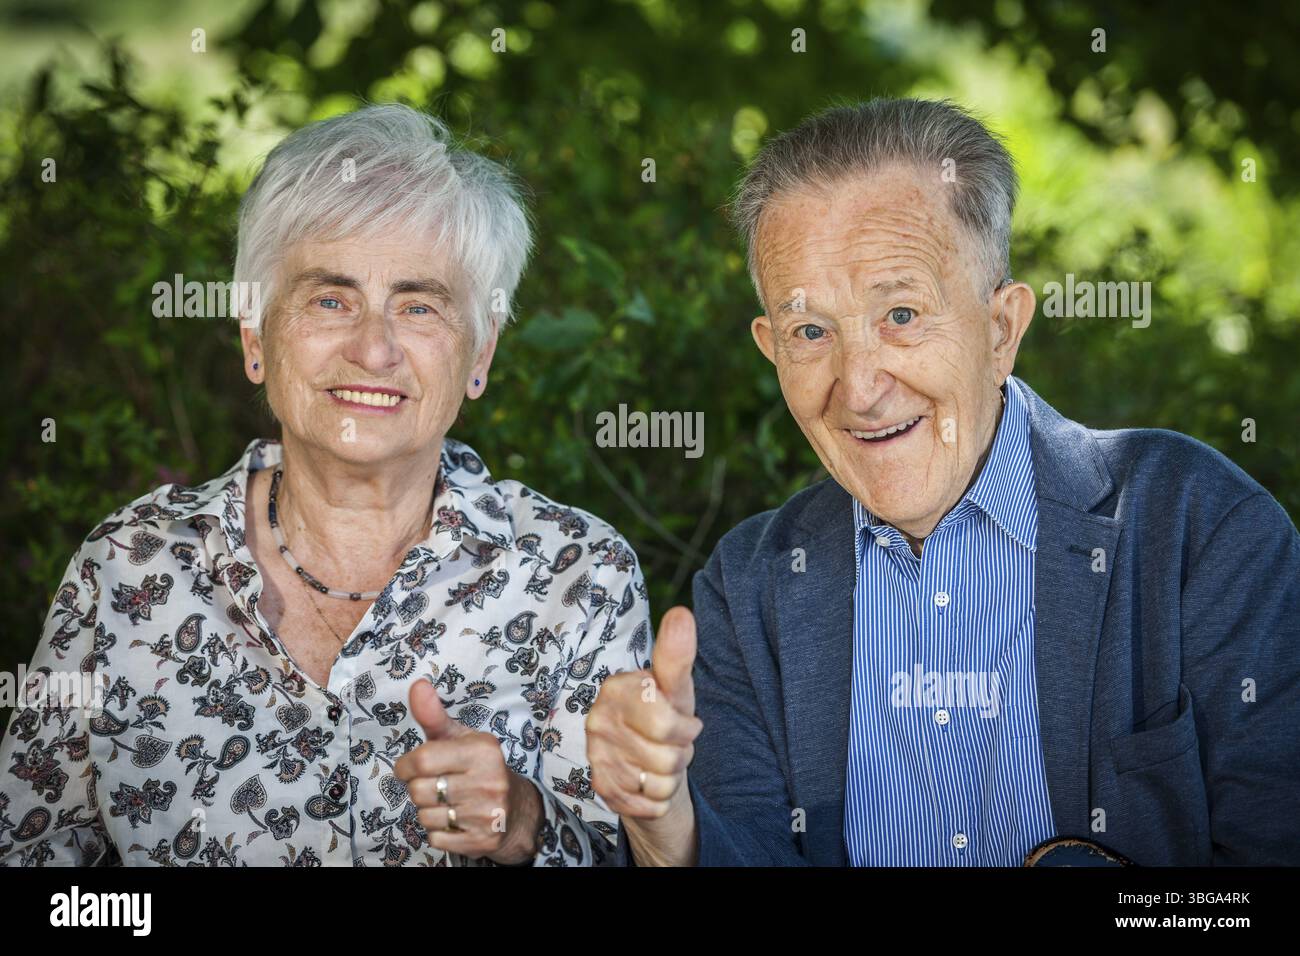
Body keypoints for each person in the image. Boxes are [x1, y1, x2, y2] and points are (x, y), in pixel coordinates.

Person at [586, 97, 1300, 866]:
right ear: (771, 349)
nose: (858, 386)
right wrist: (668, 834)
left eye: (900, 313)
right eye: (811, 332)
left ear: (1002, 331)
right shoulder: (749, 586)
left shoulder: (1201, 528)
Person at [0, 104, 650, 867]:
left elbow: (638, 852)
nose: (373, 348)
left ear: (480, 355)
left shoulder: (577, 576)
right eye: (330, 299)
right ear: (254, 336)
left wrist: (522, 823)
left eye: (418, 306)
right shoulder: (129, 567)